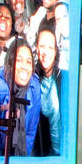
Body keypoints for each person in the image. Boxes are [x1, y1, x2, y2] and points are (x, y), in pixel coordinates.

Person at [31, 23, 64, 156]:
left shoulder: (62, 77)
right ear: (37, 47)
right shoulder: (32, 77)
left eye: (50, 47)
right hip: (39, 152)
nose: (45, 52)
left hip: (60, 153)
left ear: (56, 51)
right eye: (42, 46)